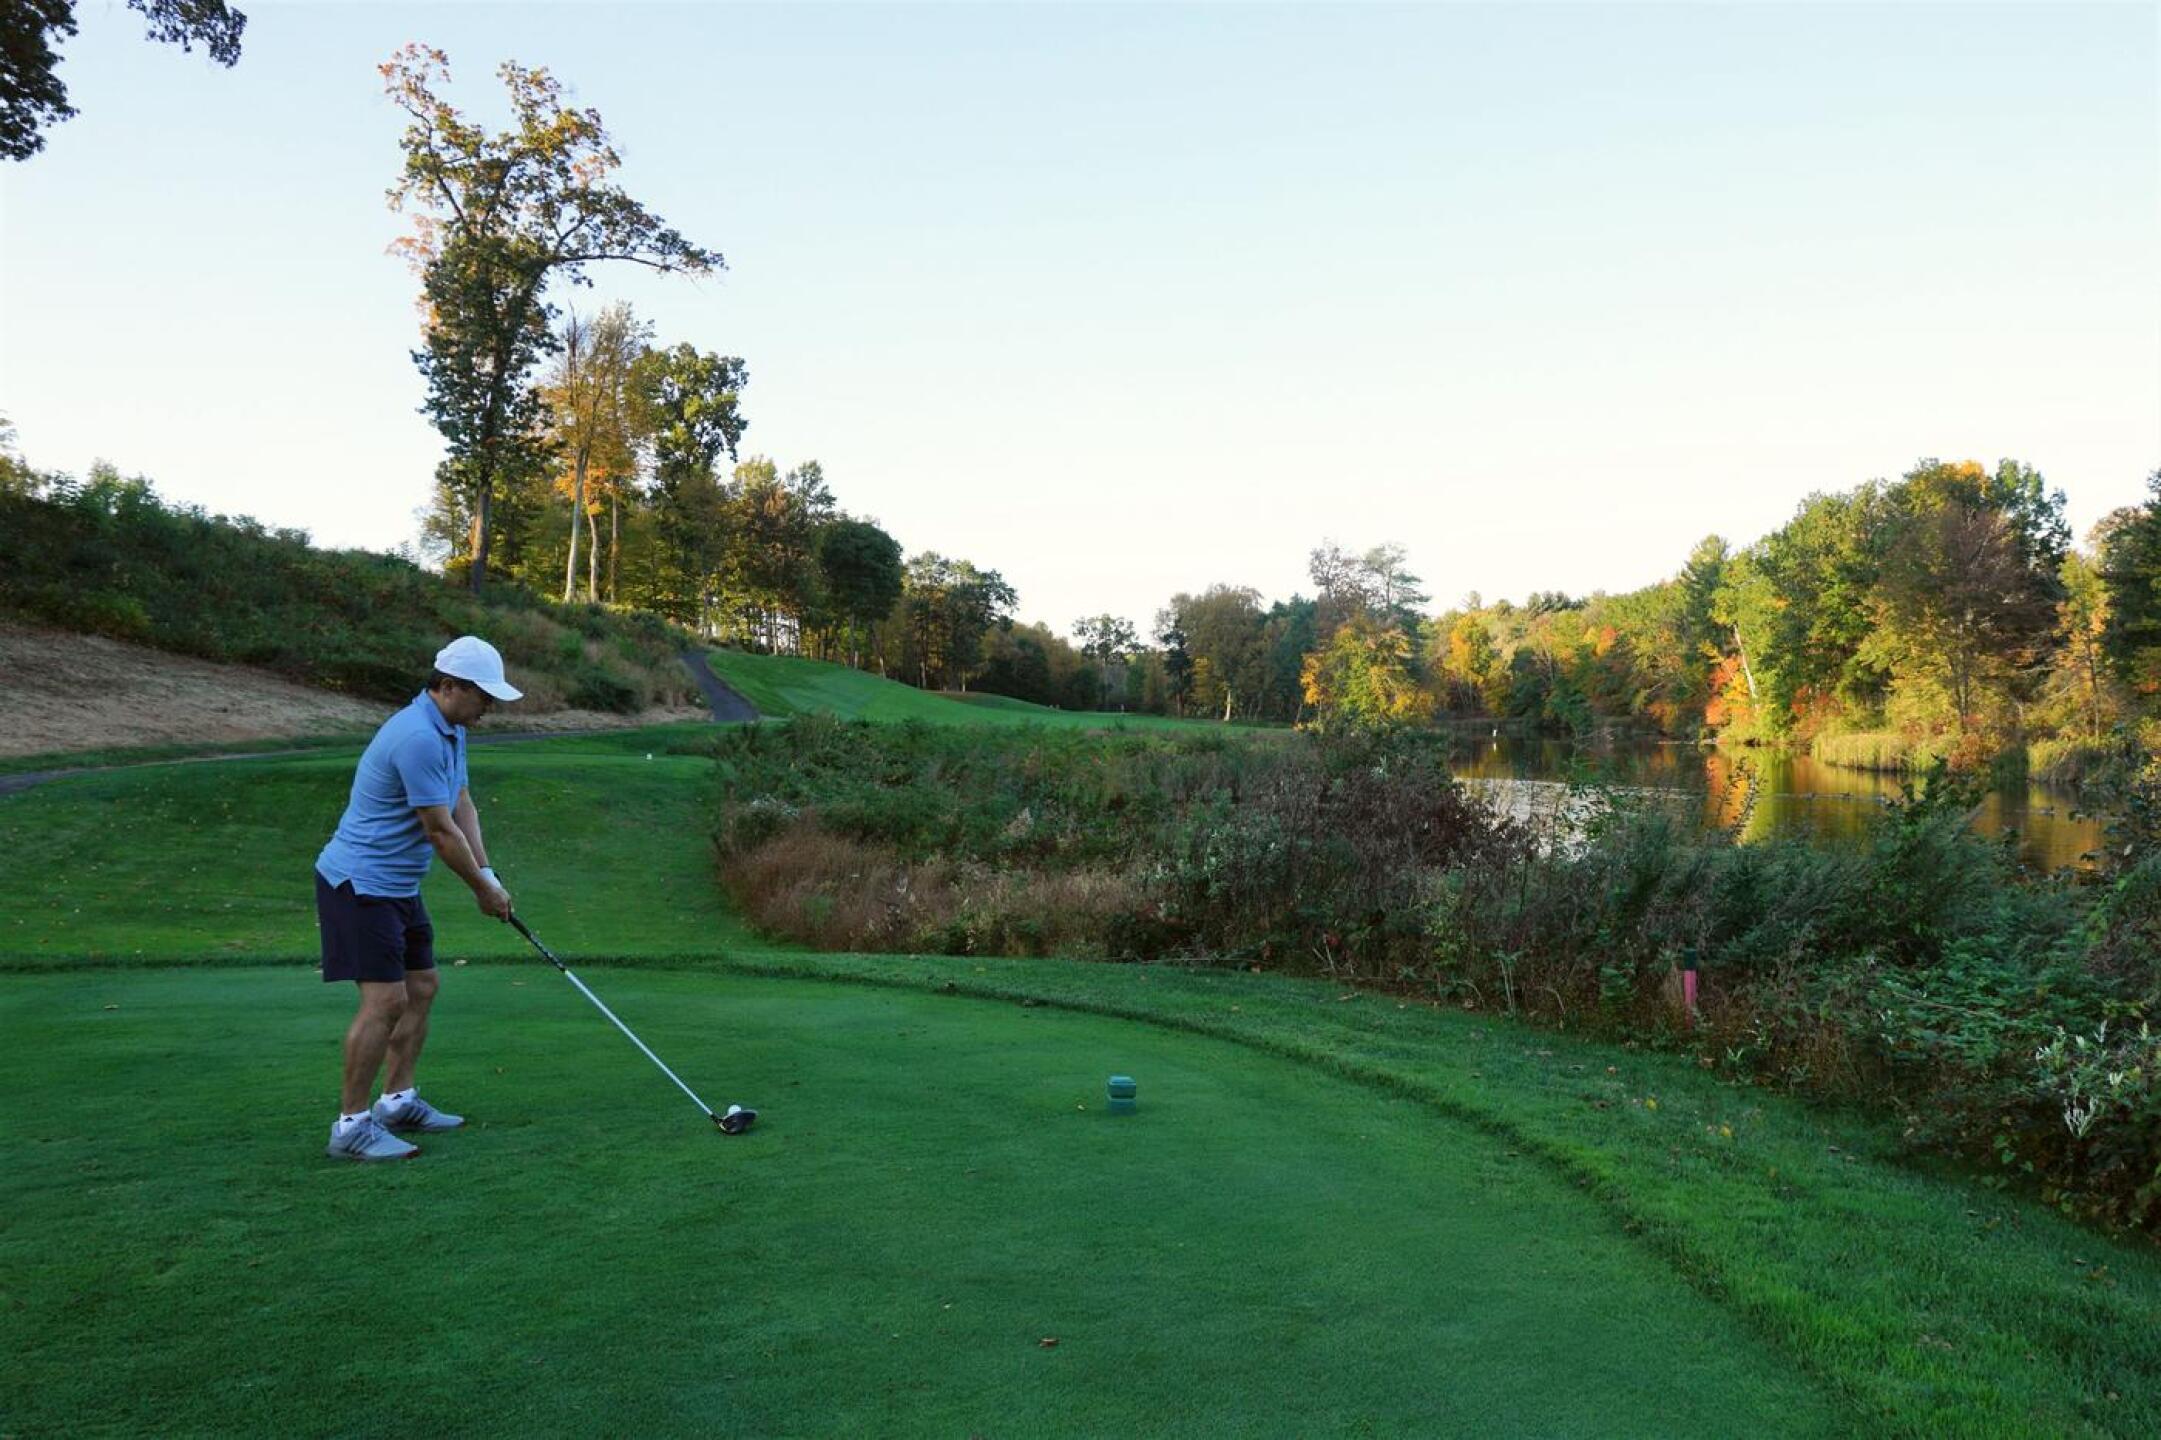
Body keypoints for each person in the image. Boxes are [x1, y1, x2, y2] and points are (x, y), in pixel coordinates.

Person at [313, 636, 521, 1161]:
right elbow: (438, 832)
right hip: (360, 884)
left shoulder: (449, 730)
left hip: (398, 884)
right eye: (482, 697)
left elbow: (462, 805)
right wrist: (481, 892)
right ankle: (351, 1127)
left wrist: (489, 875)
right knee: (385, 1001)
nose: (487, 710)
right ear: (448, 686)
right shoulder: (416, 737)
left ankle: (397, 1100)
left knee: (422, 986)